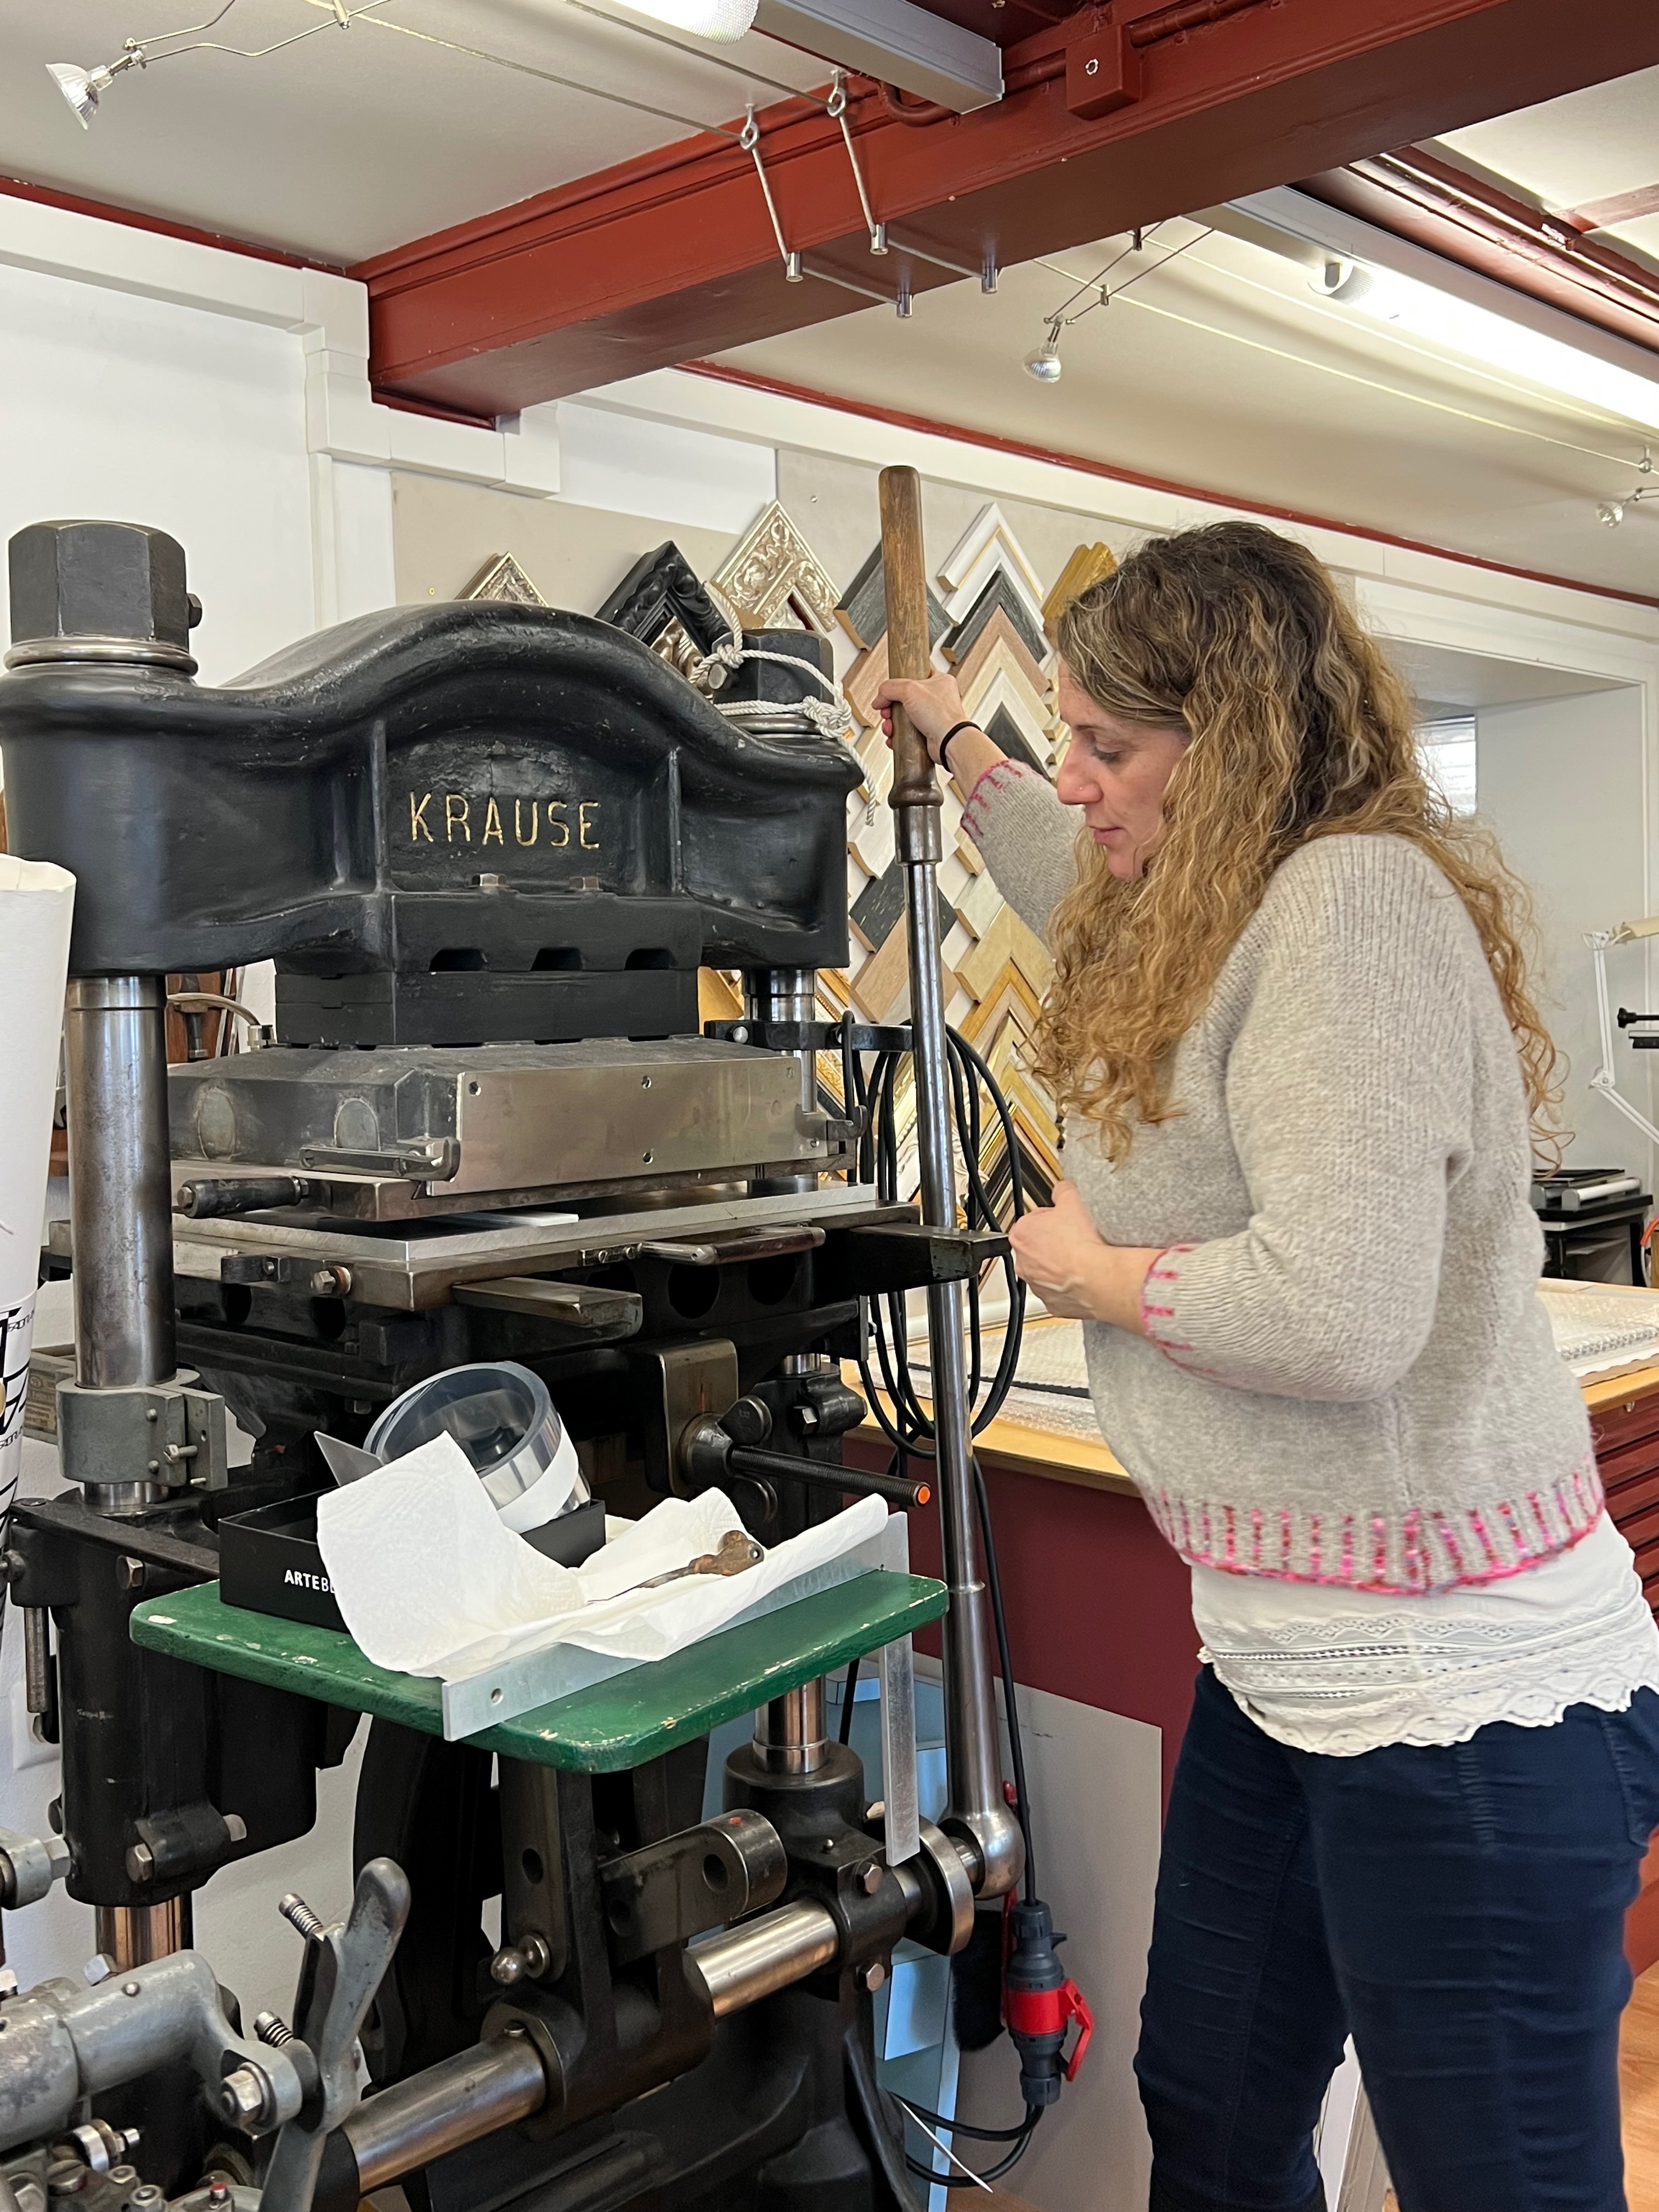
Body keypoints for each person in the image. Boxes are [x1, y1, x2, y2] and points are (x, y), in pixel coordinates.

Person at [874, 519, 1659, 2212]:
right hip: (1284, 1665)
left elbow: (1341, 1313)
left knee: (1498, 2181)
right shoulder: (1196, 896)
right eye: (1068, 737)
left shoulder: (1353, 907)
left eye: (1111, 745)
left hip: (1455, 1690)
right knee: (1216, 2109)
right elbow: (1041, 852)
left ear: (1224, 748)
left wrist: (1094, 1268)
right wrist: (953, 732)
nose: (1076, 780)